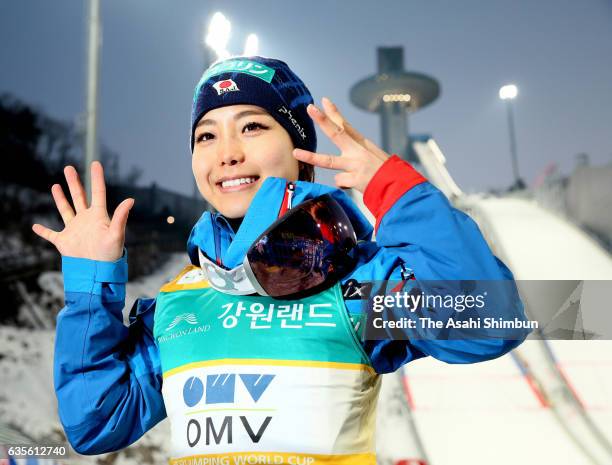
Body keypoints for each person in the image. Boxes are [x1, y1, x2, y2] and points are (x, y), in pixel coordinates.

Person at [32, 56, 529, 464]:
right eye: (206, 135)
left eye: (251, 126)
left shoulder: (351, 280)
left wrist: (397, 192)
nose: (226, 153)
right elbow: (94, 421)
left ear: (300, 149)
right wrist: (90, 286)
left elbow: (490, 321)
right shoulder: (181, 301)